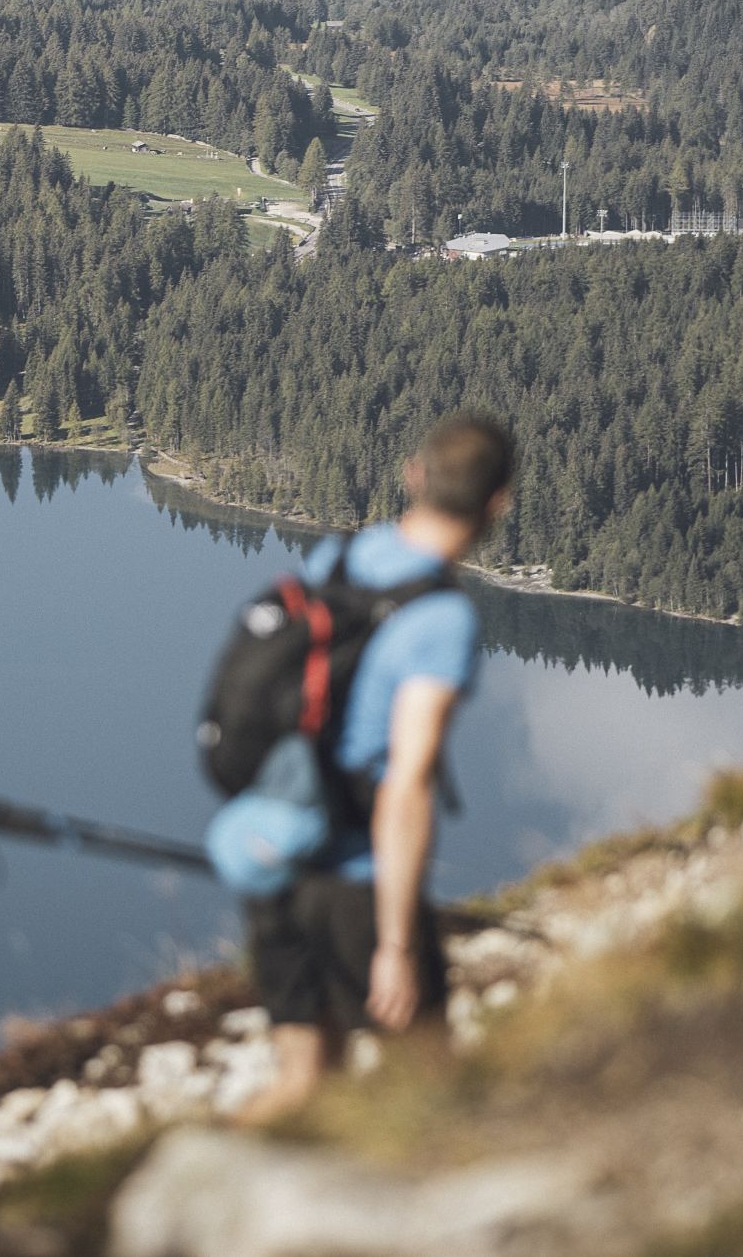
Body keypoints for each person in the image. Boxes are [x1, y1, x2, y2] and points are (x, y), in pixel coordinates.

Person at [233, 413, 513, 1124]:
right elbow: (407, 780)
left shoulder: (338, 558)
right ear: (498, 502)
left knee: (303, 1083)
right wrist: (394, 944)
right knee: (430, 1089)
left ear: (413, 476)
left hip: (277, 852)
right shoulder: (442, 620)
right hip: (354, 879)